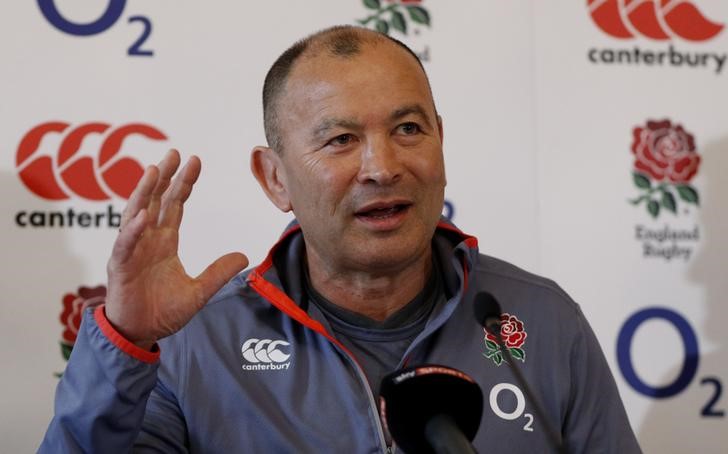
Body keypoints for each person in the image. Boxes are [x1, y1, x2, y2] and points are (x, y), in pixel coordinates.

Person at [40, 26, 641, 453]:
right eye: (340, 140)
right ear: (275, 178)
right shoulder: (193, 343)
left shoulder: (541, 318)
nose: (382, 166)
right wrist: (126, 344)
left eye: (408, 128)